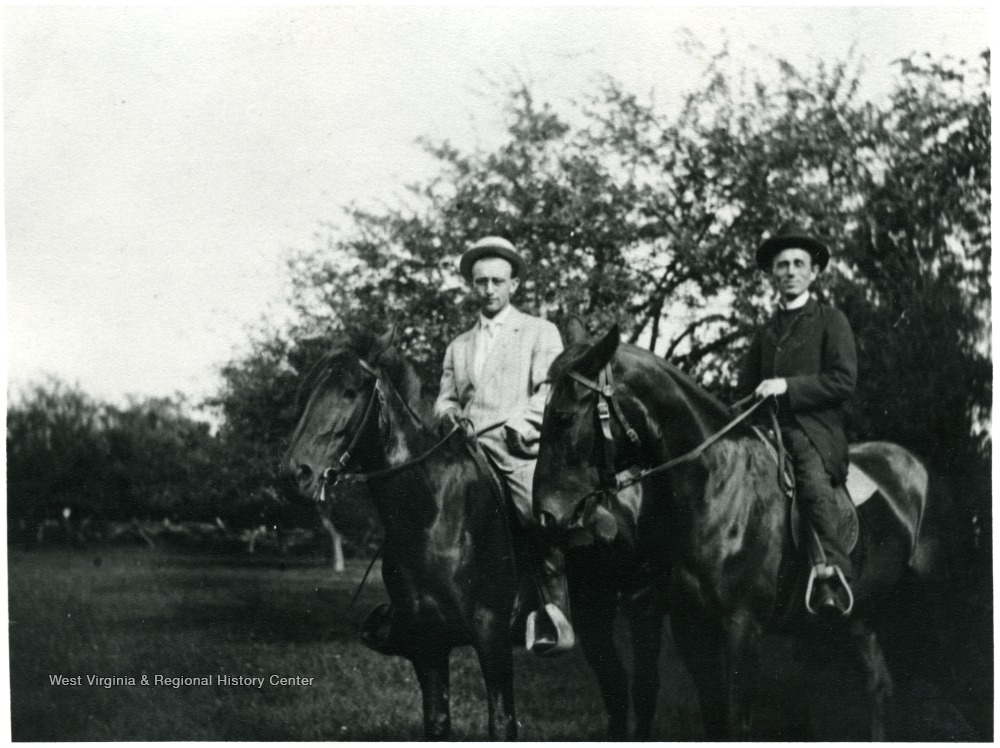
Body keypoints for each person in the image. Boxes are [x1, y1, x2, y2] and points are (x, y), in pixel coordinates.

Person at [361, 236, 574, 656]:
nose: (489, 289)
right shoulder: (459, 346)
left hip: (516, 448)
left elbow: (549, 390)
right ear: (472, 286)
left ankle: (552, 611)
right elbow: (445, 398)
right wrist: (448, 415)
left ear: (514, 285)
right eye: (481, 282)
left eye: (497, 281)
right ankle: (407, 610)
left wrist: (522, 422)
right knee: (415, 507)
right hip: (465, 449)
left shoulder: (539, 331)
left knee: (538, 515)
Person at [737, 222, 858, 616]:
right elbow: (743, 391)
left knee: (809, 479)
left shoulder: (830, 320)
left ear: (814, 272)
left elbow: (843, 381)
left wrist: (786, 387)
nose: (790, 271)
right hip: (766, 429)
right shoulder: (765, 332)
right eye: (782, 265)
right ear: (772, 274)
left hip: (813, 431)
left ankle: (831, 574)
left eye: (798, 263)